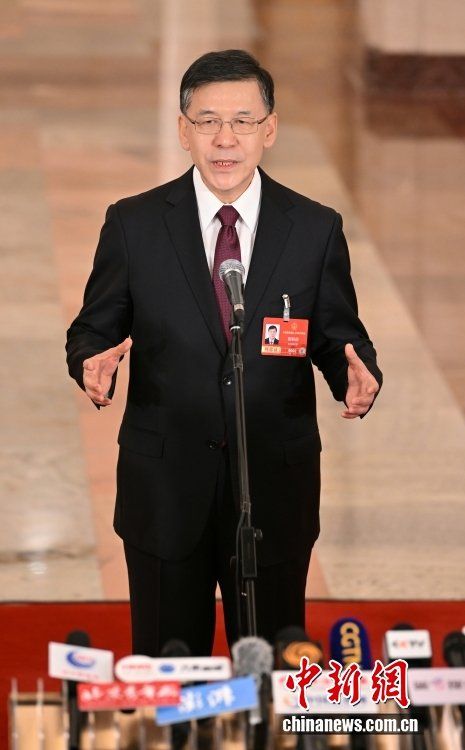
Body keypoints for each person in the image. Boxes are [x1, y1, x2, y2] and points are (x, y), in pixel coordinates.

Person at [66, 49, 382, 658]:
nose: (225, 139)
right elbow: (92, 328)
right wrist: (91, 361)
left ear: (270, 129)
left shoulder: (314, 228)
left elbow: (337, 334)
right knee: (167, 669)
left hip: (274, 489)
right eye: (208, 121)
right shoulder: (133, 224)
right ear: (183, 130)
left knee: (271, 668)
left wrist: (356, 374)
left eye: (242, 121)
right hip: (165, 489)